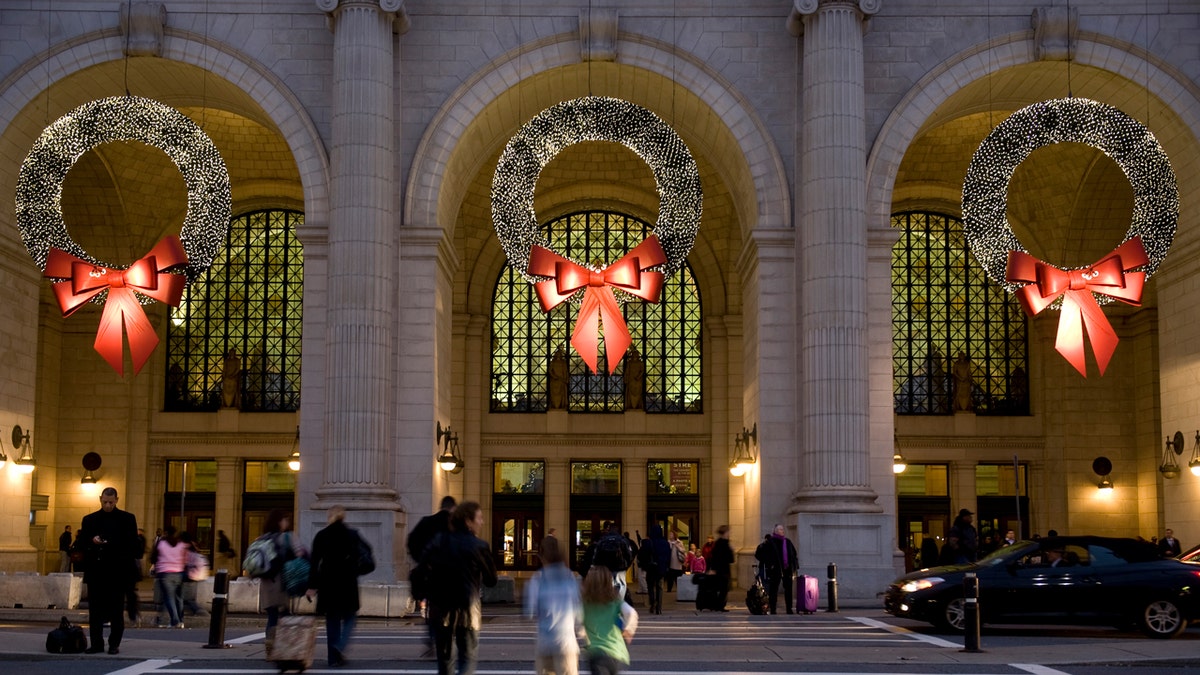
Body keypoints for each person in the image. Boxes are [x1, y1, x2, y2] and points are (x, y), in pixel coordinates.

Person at [421, 501, 497, 675]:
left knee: (445, 659)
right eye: (479, 518)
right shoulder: (479, 545)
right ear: (468, 521)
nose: (482, 522)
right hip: (468, 608)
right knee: (467, 657)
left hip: (441, 607)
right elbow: (491, 580)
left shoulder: (439, 541)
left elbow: (421, 571)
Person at [306, 505, 371, 667]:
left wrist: (312, 586)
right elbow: (367, 551)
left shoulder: (321, 536)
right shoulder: (352, 535)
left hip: (328, 582)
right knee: (350, 617)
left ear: (329, 517)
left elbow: (314, 563)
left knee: (332, 620)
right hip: (347, 581)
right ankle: (340, 646)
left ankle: (332, 658)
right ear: (343, 517)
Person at [78, 487, 139, 654]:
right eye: (105, 502)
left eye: (111, 502)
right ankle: (97, 643)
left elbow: (132, 544)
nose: (108, 505)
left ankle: (114, 643)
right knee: (95, 611)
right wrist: (93, 540)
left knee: (116, 610)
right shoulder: (89, 520)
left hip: (117, 572)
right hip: (96, 572)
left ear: (117, 500)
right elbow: (81, 542)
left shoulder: (127, 519)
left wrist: (110, 542)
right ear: (100, 499)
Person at [523, 536, 582, 675]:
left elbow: (530, 612)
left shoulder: (537, 579)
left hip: (545, 643)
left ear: (542, 556)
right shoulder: (569, 576)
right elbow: (578, 607)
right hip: (566, 642)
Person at [581, 565, 637, 675]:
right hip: (615, 652)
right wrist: (629, 630)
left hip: (596, 653)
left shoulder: (585, 605)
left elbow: (576, 621)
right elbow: (631, 613)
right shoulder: (615, 603)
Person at [260, 508, 303, 646]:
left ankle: (270, 646)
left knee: (272, 617)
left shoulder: (263, 538)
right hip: (281, 582)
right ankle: (285, 648)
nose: (287, 522)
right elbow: (300, 553)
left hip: (266, 584)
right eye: (285, 520)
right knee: (285, 615)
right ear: (280, 522)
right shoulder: (288, 537)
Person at [756, 524, 799, 615]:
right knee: (773, 590)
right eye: (780, 529)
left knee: (788, 589)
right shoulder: (770, 542)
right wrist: (770, 564)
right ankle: (773, 609)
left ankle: (789, 608)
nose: (782, 530)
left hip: (787, 569)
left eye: (783, 529)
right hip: (775, 569)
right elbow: (760, 554)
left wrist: (794, 566)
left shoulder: (787, 542)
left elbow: (793, 554)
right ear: (775, 531)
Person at [152, 525, 188, 628]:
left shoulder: (162, 543)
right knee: (179, 598)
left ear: (166, 532)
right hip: (179, 572)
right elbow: (185, 557)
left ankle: (175, 620)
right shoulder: (181, 543)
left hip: (165, 572)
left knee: (169, 598)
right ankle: (181, 620)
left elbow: (154, 557)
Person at [638, 525, 670, 614]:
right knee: (660, 587)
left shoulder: (648, 542)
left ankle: (652, 602)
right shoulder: (665, 543)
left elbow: (643, 555)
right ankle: (659, 607)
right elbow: (668, 556)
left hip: (651, 567)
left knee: (651, 586)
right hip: (661, 568)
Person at [179, 531, 208, 618]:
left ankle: (199, 611)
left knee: (186, 597)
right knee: (189, 596)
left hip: (189, 574)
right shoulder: (193, 545)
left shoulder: (184, 547)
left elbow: (184, 561)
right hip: (195, 574)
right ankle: (194, 611)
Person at [708, 525, 735, 612]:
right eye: (728, 532)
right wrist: (731, 550)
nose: (729, 534)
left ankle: (716, 605)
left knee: (719, 588)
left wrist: (713, 568)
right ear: (725, 533)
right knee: (723, 589)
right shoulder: (724, 544)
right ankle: (719, 606)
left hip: (719, 569)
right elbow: (731, 559)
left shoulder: (717, 543)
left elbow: (713, 557)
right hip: (723, 570)